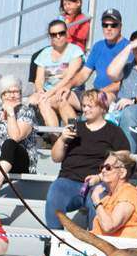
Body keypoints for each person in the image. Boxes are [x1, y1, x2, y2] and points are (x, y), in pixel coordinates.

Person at [45, 89, 130, 229]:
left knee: (99, 199)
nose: (85, 109)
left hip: (98, 182)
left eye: (90, 106)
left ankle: (94, 243)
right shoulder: (74, 128)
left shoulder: (114, 131)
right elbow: (55, 158)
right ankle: (53, 244)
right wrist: (62, 139)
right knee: (55, 191)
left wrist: (100, 177)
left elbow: (124, 157)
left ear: (102, 107)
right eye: (84, 106)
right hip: (69, 180)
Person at [28, 19, 83, 127]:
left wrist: (49, 93)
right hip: (48, 92)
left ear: (67, 33)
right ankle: (55, 138)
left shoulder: (75, 51)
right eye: (54, 34)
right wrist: (40, 92)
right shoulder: (44, 53)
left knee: (52, 100)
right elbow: (38, 79)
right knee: (33, 100)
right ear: (50, 36)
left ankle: (74, 131)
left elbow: (69, 78)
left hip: (70, 90)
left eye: (61, 33)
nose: (58, 36)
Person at [69, 8, 129, 99]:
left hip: (114, 96)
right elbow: (84, 74)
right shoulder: (98, 46)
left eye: (113, 25)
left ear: (120, 26)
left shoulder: (128, 48)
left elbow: (125, 82)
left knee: (97, 101)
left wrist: (100, 92)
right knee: (60, 98)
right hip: (95, 94)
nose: (108, 29)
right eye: (105, 25)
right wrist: (67, 86)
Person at [90, 150, 137, 238]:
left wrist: (96, 201)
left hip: (125, 248)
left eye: (108, 167)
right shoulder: (107, 197)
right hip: (106, 247)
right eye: (102, 167)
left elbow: (109, 227)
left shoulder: (129, 193)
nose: (103, 170)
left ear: (122, 173)